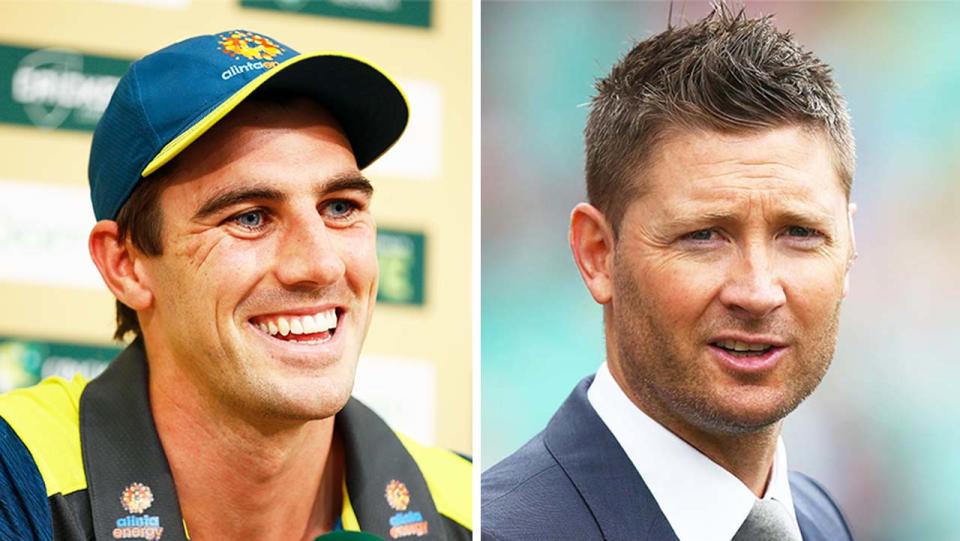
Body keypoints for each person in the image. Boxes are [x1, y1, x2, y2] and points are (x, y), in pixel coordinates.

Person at [0, 30, 470, 541]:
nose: (321, 264)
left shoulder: (465, 503)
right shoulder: (17, 475)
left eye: (340, 207)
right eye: (249, 217)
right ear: (126, 264)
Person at [482, 6, 856, 541]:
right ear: (597, 255)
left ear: (850, 244)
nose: (757, 291)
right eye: (704, 235)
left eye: (799, 232)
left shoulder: (820, 520)